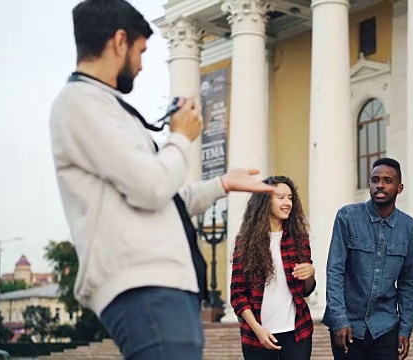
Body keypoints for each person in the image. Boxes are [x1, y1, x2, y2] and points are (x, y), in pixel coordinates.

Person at [49, 1, 274, 359]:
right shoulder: (79, 103)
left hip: (159, 284)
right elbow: (152, 186)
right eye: (140, 52)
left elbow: (164, 195)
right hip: (143, 284)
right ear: (119, 41)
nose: (140, 66)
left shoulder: (102, 106)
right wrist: (181, 137)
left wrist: (222, 185)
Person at [323, 158, 413, 360]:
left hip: (385, 326)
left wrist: (405, 328)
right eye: (375, 180)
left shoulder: (409, 228)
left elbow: (409, 282)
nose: (380, 185)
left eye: (387, 180)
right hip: (348, 326)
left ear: (399, 187)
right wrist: (339, 320)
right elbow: (335, 271)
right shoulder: (347, 217)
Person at [230, 176, 316, 360]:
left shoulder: (299, 239)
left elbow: (306, 290)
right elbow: (237, 294)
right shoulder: (245, 243)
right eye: (281, 197)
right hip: (258, 335)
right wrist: (258, 330)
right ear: (265, 201)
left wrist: (310, 273)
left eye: (290, 198)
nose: (287, 203)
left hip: (297, 334)